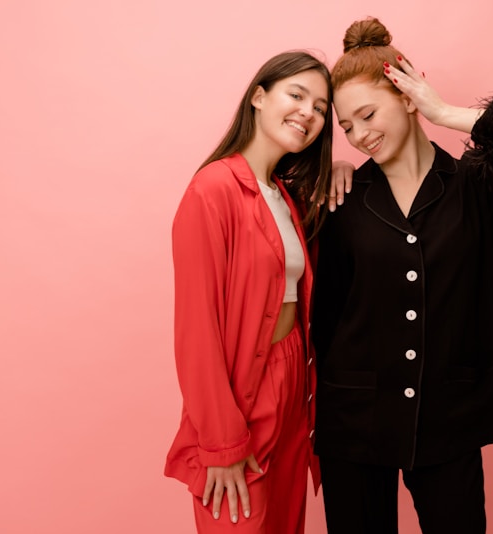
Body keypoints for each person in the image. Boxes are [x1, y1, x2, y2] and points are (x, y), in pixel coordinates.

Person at [311, 17, 493, 534]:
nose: (359, 135)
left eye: (367, 113)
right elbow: (324, 312)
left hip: (450, 418)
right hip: (354, 420)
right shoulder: (342, 198)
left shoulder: (476, 188)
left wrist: (441, 111)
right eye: (347, 126)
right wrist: (324, 166)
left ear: (405, 94)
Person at [164, 50, 337, 534]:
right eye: (296, 95)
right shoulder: (212, 190)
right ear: (258, 97)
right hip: (240, 397)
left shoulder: (286, 196)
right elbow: (196, 331)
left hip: (292, 391)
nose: (309, 112)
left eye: (321, 108)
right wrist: (219, 442)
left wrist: (341, 170)